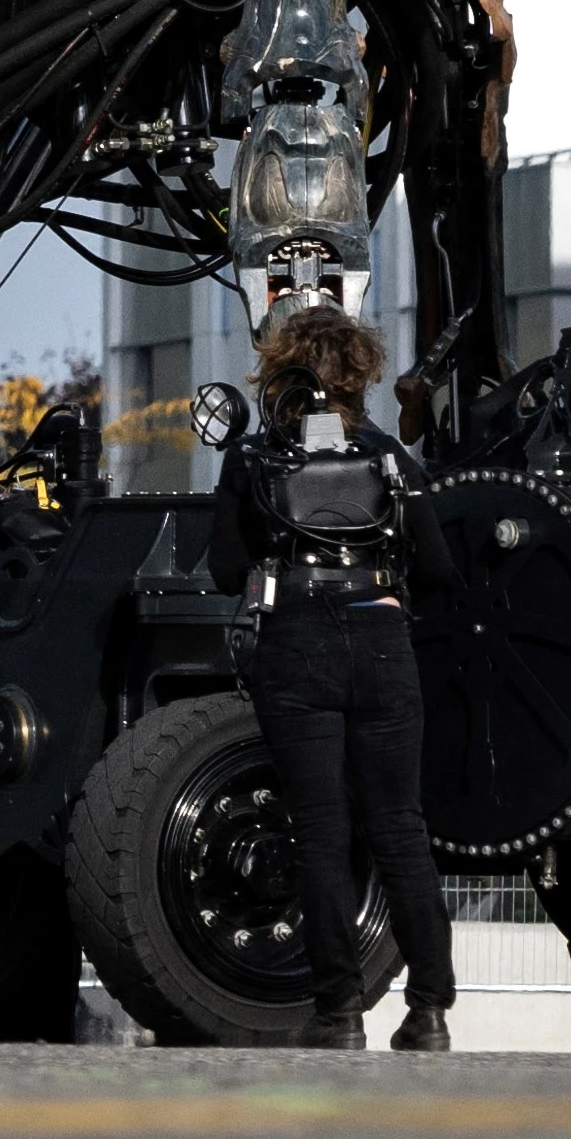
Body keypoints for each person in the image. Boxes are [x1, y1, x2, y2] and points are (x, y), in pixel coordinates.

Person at [224, 300, 447, 1050]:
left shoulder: (254, 458)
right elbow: (441, 565)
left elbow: (225, 563)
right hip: (384, 638)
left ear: (282, 371)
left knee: (321, 832)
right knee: (401, 828)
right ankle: (430, 1011)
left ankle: (339, 1012)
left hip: (297, 642)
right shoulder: (390, 455)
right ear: (360, 374)